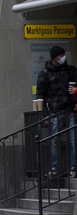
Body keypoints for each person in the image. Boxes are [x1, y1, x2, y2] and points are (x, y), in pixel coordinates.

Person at [36, 45, 77, 178]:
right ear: (54, 58)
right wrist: (45, 113)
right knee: (54, 139)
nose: (63, 58)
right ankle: (54, 167)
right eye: (60, 56)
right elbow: (40, 94)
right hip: (55, 110)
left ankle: (73, 166)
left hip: (70, 109)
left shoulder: (70, 70)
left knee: (72, 140)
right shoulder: (45, 74)